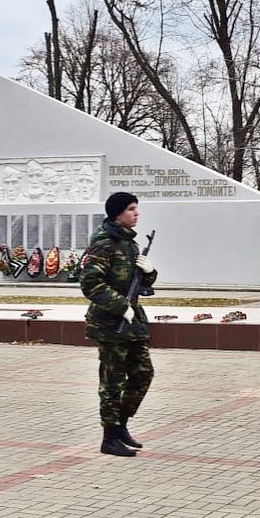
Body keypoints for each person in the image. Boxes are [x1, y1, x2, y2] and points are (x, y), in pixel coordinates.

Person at [81, 192, 158, 457]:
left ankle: (120, 426)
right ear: (117, 214)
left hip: (132, 323)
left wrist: (149, 273)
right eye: (131, 209)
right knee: (112, 382)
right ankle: (109, 437)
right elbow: (90, 284)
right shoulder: (104, 244)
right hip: (110, 324)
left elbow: (139, 286)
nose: (136, 213)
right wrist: (120, 306)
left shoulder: (131, 244)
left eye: (137, 209)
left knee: (142, 374)